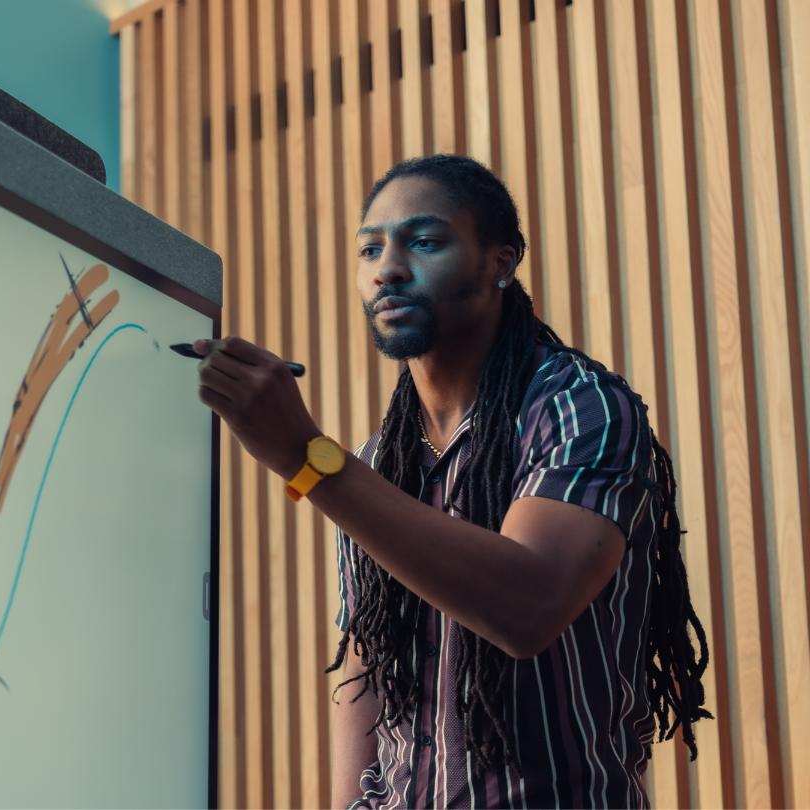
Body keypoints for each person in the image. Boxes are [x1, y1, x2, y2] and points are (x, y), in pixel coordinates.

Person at [193, 154, 710, 808]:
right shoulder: (378, 460)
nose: (387, 268)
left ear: (501, 262)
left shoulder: (580, 407)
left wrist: (306, 456)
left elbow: (529, 606)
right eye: (370, 249)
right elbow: (365, 659)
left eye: (425, 242)